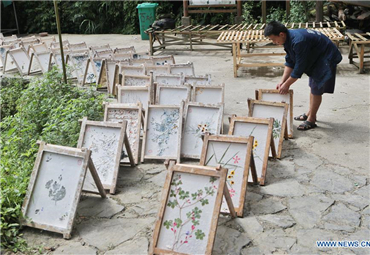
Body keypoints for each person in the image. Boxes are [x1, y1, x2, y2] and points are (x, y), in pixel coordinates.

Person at [264, 21, 342, 130]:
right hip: (316, 54)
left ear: (281, 34)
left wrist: (287, 85)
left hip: (326, 57)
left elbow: (298, 69)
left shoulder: (298, 41)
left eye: (273, 39)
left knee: (316, 89)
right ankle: (309, 113)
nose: (273, 42)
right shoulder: (288, 39)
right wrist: (283, 81)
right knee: (313, 87)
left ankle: (311, 119)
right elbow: (290, 62)